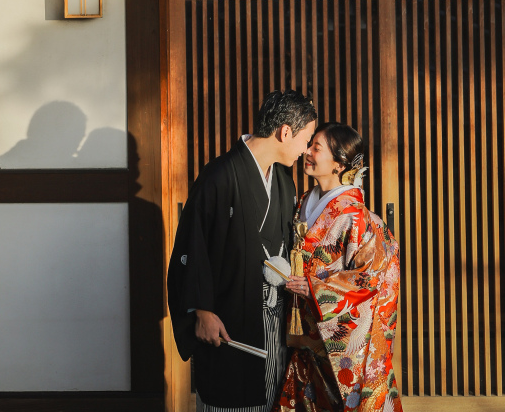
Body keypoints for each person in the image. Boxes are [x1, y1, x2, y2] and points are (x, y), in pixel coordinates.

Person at [167, 90, 318, 412]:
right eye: (306, 139)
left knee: (270, 395)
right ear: (285, 132)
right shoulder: (220, 175)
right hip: (227, 313)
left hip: (273, 314)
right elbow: (193, 247)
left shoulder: (283, 180)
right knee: (230, 395)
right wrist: (202, 311)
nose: (306, 150)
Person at [274, 123, 403, 412]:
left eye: (316, 148)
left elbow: (370, 276)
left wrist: (317, 287)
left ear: (339, 163)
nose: (307, 151)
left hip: (334, 332)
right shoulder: (306, 202)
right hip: (306, 330)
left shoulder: (357, 216)